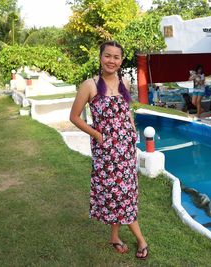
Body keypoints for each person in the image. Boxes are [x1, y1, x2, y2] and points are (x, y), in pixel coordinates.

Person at [69, 41, 148, 260]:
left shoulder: (124, 81)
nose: (111, 61)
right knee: (119, 194)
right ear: (100, 57)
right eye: (107, 56)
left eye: (116, 57)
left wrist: (133, 133)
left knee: (122, 193)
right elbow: (74, 117)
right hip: (106, 152)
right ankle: (141, 240)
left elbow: (127, 112)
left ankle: (115, 236)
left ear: (121, 61)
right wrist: (97, 135)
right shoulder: (90, 85)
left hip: (126, 150)